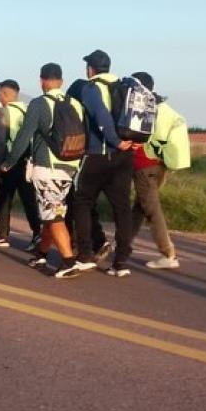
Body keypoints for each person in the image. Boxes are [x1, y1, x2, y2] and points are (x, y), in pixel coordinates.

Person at [2, 63, 85, 278]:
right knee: (51, 211)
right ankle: (42, 253)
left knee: (54, 214)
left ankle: (68, 261)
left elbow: (24, 136)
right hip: (71, 166)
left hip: (47, 167)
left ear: (42, 81)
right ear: (61, 81)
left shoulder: (39, 104)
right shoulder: (75, 103)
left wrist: (9, 162)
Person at [71, 49, 135, 277]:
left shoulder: (91, 87)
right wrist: (129, 142)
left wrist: (115, 141)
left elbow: (101, 116)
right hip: (125, 157)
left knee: (82, 202)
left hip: (99, 154)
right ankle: (121, 262)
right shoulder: (125, 86)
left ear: (91, 68)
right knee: (122, 208)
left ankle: (86, 253)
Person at [129, 72, 181, 270]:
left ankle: (167, 252)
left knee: (150, 207)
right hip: (159, 164)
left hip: (144, 164)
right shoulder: (162, 107)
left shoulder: (142, 107)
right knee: (140, 206)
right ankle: (124, 243)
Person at [0, 79, 42, 248]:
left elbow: (0, 142)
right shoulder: (28, 109)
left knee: (5, 198)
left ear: (5, 94)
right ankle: (37, 233)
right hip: (28, 161)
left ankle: (3, 235)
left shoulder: (4, 112)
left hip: (10, 161)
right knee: (29, 201)